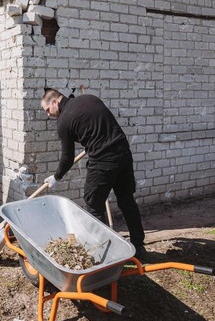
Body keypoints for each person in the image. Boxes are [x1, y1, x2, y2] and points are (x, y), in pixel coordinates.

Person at [40, 88, 148, 260]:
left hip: (103, 161)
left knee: (93, 205)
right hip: (123, 153)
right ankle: (139, 247)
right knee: (127, 200)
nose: (48, 114)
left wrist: (56, 177)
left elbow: (67, 158)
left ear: (55, 102)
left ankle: (107, 255)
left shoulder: (64, 121)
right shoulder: (90, 98)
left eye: (47, 110)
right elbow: (102, 127)